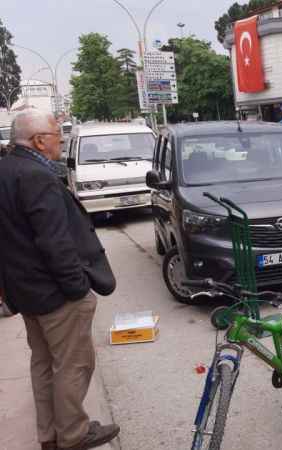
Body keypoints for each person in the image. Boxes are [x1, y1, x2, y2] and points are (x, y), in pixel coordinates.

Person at [0, 110, 119, 450]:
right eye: (56, 134)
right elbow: (54, 242)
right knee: (73, 364)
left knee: (42, 364)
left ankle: (49, 435)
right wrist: (76, 289)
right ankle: (73, 435)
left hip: (25, 292)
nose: (61, 139)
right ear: (38, 140)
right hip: (55, 294)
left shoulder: (5, 169)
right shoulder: (37, 176)